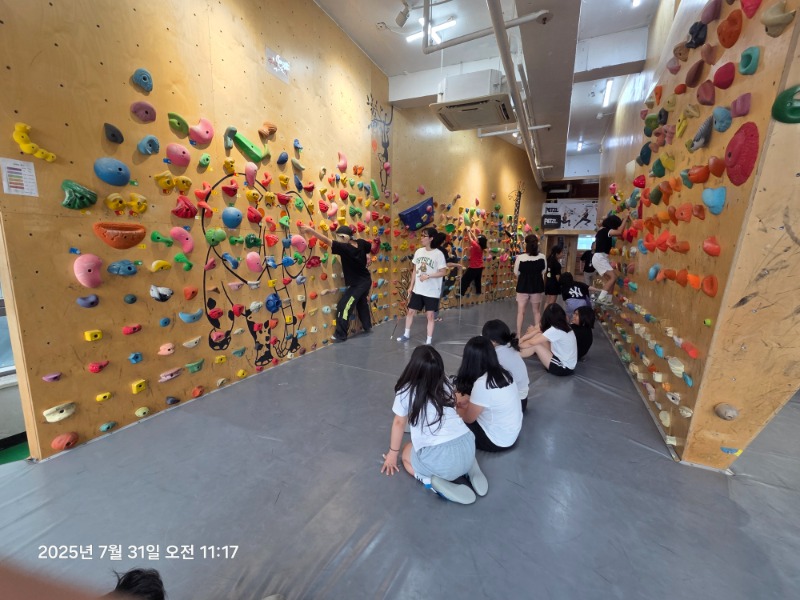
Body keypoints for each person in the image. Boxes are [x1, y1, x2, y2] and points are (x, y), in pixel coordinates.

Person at [381, 345, 488, 505]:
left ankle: (432, 483)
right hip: (468, 444)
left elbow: (399, 422)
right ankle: (471, 467)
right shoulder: (446, 384)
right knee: (456, 448)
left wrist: (392, 454)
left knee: (407, 453)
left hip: (441, 461)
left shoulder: (406, 390)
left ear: (413, 367)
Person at [300, 224, 372, 343]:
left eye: (339, 237)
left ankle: (340, 335)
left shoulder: (345, 248)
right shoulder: (361, 242)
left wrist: (311, 231)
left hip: (358, 284)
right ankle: (367, 326)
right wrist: (367, 255)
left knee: (344, 306)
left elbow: (326, 240)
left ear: (344, 237)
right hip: (366, 280)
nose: (338, 240)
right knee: (361, 302)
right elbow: (369, 248)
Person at [454, 336, 522, 452]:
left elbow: (468, 419)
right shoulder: (504, 373)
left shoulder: (482, 384)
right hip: (511, 434)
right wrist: (469, 401)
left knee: (451, 412)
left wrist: (456, 407)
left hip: (495, 441)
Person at [397, 227, 447, 344]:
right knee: (410, 312)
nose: (421, 238)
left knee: (430, 316)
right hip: (418, 290)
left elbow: (443, 272)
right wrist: (411, 286)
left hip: (432, 291)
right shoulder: (419, 252)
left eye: (424, 236)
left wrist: (428, 276)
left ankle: (428, 341)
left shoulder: (438, 254)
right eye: (421, 235)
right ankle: (406, 334)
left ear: (431, 238)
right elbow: (415, 270)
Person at [481, 319, 530, 411]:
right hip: (522, 400)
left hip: (514, 404)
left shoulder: (496, 355)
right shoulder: (509, 346)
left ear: (494, 341)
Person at [519, 304, 578, 376]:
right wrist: (524, 339)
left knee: (536, 345)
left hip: (563, 367)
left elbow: (532, 343)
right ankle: (516, 351)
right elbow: (538, 332)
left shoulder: (555, 329)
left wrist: (519, 344)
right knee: (538, 336)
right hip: (567, 363)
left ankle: (515, 355)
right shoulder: (564, 326)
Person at [592, 211, 630, 305]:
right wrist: (625, 218)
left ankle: (608, 300)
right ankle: (601, 298)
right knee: (613, 277)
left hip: (600, 258)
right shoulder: (606, 231)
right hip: (600, 258)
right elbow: (619, 232)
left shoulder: (602, 230)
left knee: (612, 278)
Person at [513, 234, 546, 334]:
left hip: (522, 287)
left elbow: (516, 272)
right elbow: (543, 271)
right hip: (536, 287)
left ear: (526, 245)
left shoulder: (520, 257)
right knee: (536, 312)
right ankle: (537, 334)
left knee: (520, 312)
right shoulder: (542, 257)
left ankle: (518, 335)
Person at [432, 232, 463, 322]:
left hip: (429, 277)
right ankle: (434, 316)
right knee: (437, 297)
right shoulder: (442, 251)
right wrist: (457, 265)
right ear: (443, 241)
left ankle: (430, 314)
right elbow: (446, 264)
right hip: (438, 278)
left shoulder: (430, 248)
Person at [460, 228, 487, 296]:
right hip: (480, 267)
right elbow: (475, 238)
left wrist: (468, 231)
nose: (476, 239)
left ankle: (461, 293)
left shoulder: (476, 246)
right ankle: (478, 291)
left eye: (478, 239)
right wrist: (471, 232)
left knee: (465, 279)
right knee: (477, 280)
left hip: (474, 267)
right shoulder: (480, 246)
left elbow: (470, 238)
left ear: (479, 241)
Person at [544, 244, 564, 309]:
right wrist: (562, 284)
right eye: (561, 252)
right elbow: (557, 277)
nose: (562, 254)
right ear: (557, 254)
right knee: (552, 302)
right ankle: (548, 314)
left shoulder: (548, 260)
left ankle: (545, 314)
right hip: (554, 284)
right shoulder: (557, 264)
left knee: (547, 301)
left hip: (548, 282)